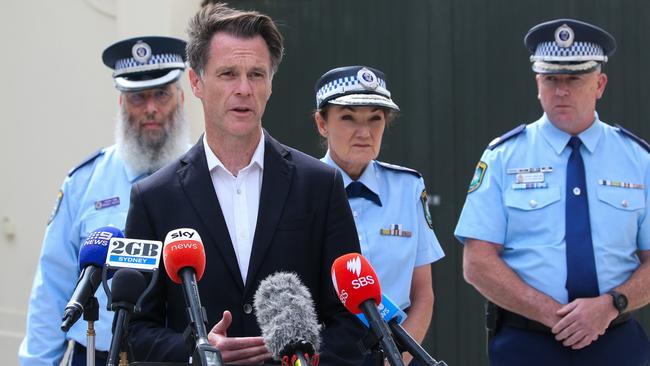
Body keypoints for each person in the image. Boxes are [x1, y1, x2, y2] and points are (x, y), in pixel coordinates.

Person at [124, 3, 364, 365]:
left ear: (271, 83)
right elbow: (137, 328)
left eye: (256, 74)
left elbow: (350, 317)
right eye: (227, 74)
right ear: (196, 82)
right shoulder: (154, 198)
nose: (243, 89)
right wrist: (198, 355)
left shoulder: (320, 184)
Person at [454, 18, 650, 365]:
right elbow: (477, 262)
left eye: (574, 79)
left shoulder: (638, 160)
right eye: (551, 79)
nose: (561, 90)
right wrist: (553, 314)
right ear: (537, 84)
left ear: (600, 84)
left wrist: (609, 306)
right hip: (527, 342)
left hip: (615, 340)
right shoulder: (502, 157)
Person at [18, 36, 189, 366]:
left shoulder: (204, 178)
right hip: (95, 354)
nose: (151, 108)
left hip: (177, 356)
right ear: (121, 104)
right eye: (138, 97)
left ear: (180, 98)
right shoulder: (84, 183)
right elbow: (53, 285)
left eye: (162, 94)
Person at [313, 65, 445, 365]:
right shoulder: (301, 188)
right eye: (348, 118)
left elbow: (423, 294)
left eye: (375, 118)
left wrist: (397, 357)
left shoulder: (407, 188)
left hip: (395, 353)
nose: (365, 132)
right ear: (322, 123)